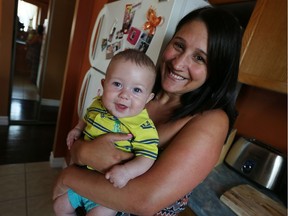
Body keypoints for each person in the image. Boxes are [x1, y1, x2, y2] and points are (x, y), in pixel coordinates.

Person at [53, 6, 242, 215]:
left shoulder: (211, 120)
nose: (178, 63)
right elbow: (85, 139)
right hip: (82, 201)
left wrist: (67, 176)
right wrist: (82, 152)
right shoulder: (138, 93)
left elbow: (144, 201)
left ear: (218, 70)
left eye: (199, 58)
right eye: (179, 45)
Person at [53, 49, 159, 215]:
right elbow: (87, 117)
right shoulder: (98, 104)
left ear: (148, 99)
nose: (124, 95)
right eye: (117, 84)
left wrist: (127, 172)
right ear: (103, 85)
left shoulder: (143, 126)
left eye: (136, 90)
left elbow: (148, 156)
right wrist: (77, 129)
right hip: (82, 178)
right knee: (59, 206)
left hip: (108, 191)